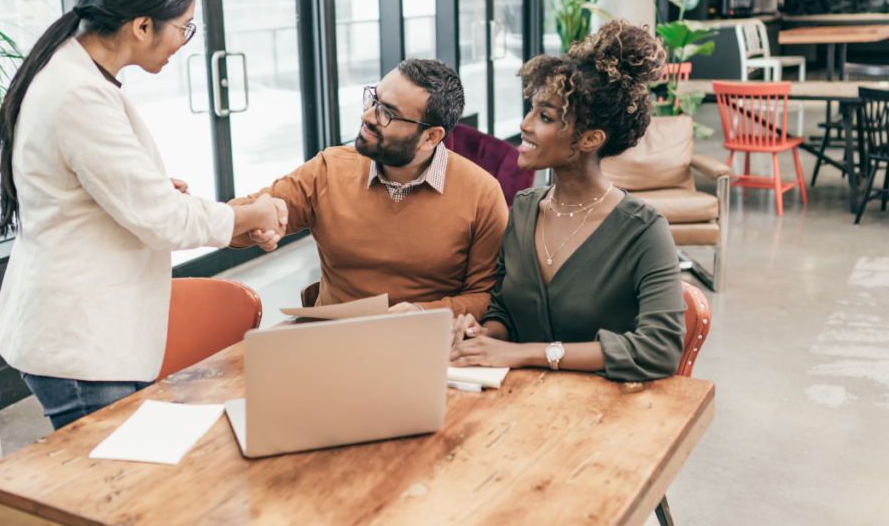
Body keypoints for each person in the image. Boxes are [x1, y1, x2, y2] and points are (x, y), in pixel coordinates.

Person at [0, 0, 287, 429]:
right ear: (142, 25)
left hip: (81, 329)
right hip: (82, 343)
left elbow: (83, 185)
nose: (184, 41)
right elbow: (161, 218)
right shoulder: (79, 93)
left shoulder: (71, 69)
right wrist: (251, 215)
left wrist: (143, 187)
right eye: (184, 27)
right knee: (112, 489)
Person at [449, 20, 686, 382]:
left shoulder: (643, 230)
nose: (525, 124)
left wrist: (525, 353)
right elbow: (504, 311)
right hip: (519, 402)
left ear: (590, 139)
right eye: (531, 109)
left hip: (603, 414)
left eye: (545, 116)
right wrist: (484, 336)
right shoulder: (525, 208)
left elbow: (660, 348)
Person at [229, 59, 510, 319]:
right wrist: (255, 219)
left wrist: (423, 312)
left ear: (430, 137)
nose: (368, 116)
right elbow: (232, 224)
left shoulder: (481, 194)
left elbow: (486, 296)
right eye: (373, 99)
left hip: (423, 343)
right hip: (331, 340)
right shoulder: (328, 170)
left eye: (387, 113)